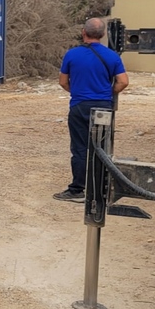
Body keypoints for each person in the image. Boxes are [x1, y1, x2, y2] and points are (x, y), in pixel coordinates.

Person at [54, 17, 129, 202]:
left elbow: (63, 82)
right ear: (103, 35)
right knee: (101, 147)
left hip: (79, 106)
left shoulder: (72, 54)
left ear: (83, 33)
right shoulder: (112, 56)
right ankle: (100, 189)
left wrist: (78, 92)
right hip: (103, 107)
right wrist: (107, 93)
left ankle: (77, 190)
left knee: (80, 148)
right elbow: (123, 81)